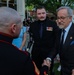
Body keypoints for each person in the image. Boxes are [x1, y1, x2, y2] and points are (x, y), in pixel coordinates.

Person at [0, 6, 36, 75]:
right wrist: (45, 68)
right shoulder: (22, 58)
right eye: (20, 24)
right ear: (13, 28)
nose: (22, 27)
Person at [43, 6, 74, 75]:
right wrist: (49, 59)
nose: (59, 21)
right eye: (58, 18)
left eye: (62, 18)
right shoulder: (59, 31)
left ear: (70, 18)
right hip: (63, 70)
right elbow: (56, 47)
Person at [29, 6, 59, 75]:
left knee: (47, 72)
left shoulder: (52, 24)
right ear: (36, 14)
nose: (41, 15)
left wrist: (53, 55)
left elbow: (57, 40)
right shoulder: (33, 25)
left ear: (46, 13)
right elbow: (31, 39)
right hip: (36, 55)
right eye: (39, 14)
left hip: (48, 55)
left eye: (43, 13)